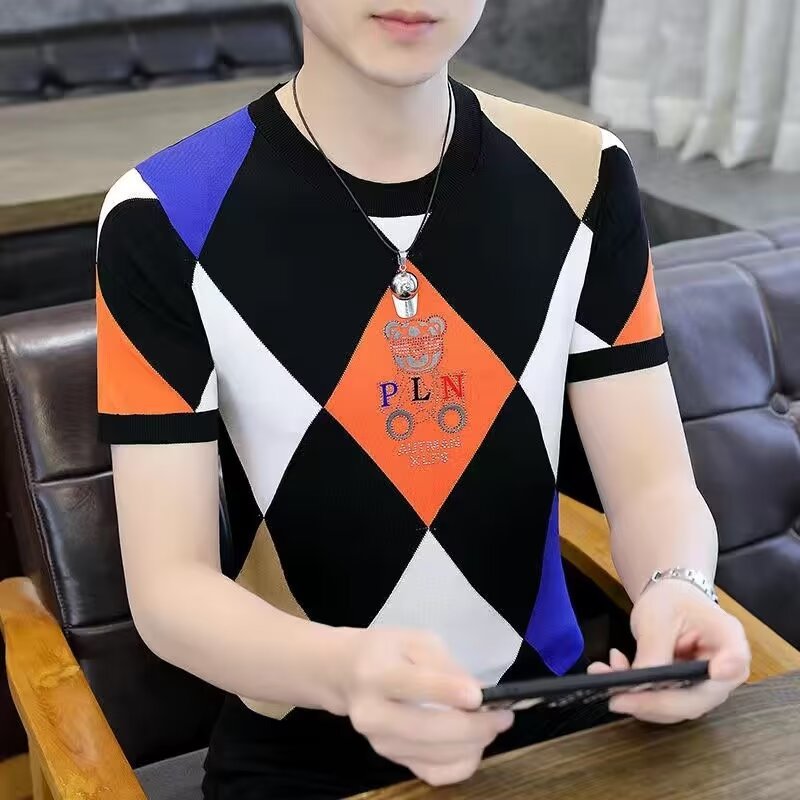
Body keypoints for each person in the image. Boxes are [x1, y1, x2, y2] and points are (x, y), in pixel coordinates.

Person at [95, 2, 751, 798]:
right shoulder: (161, 212)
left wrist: (681, 588)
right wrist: (348, 673)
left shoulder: (586, 174)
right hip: (303, 754)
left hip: (558, 721)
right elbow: (169, 589)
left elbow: (653, 485)